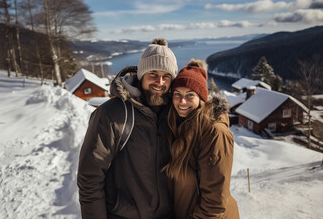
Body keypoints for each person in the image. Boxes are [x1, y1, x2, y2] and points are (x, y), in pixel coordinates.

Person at [77, 38, 178, 219]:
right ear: (141, 75)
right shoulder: (112, 114)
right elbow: (90, 177)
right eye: (153, 73)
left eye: (166, 76)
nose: (159, 82)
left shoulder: (174, 114)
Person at [163, 59, 239, 219]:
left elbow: (214, 205)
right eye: (177, 94)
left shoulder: (215, 133)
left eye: (190, 95)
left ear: (202, 99)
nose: (182, 101)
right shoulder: (177, 126)